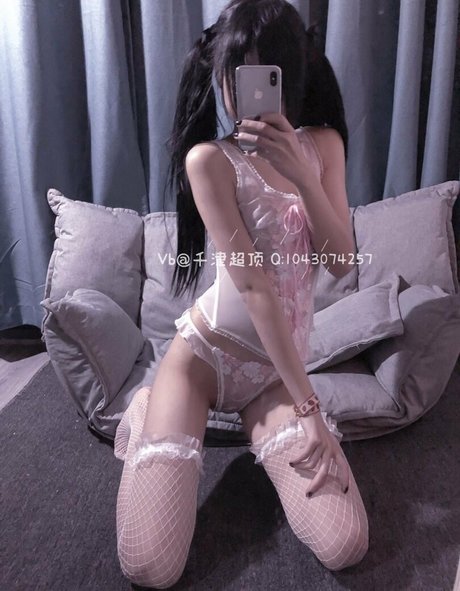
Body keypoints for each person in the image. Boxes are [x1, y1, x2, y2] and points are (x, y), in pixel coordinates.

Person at [113, 0, 369, 587]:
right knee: (152, 566)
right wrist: (312, 412)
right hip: (203, 361)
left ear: (291, 75)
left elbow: (341, 263)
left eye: (264, 73)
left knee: (346, 542)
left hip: (274, 374)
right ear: (222, 75)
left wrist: (303, 176)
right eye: (236, 73)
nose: (245, 93)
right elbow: (253, 286)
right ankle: (149, 407)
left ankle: (248, 422)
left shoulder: (324, 146)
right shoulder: (210, 161)